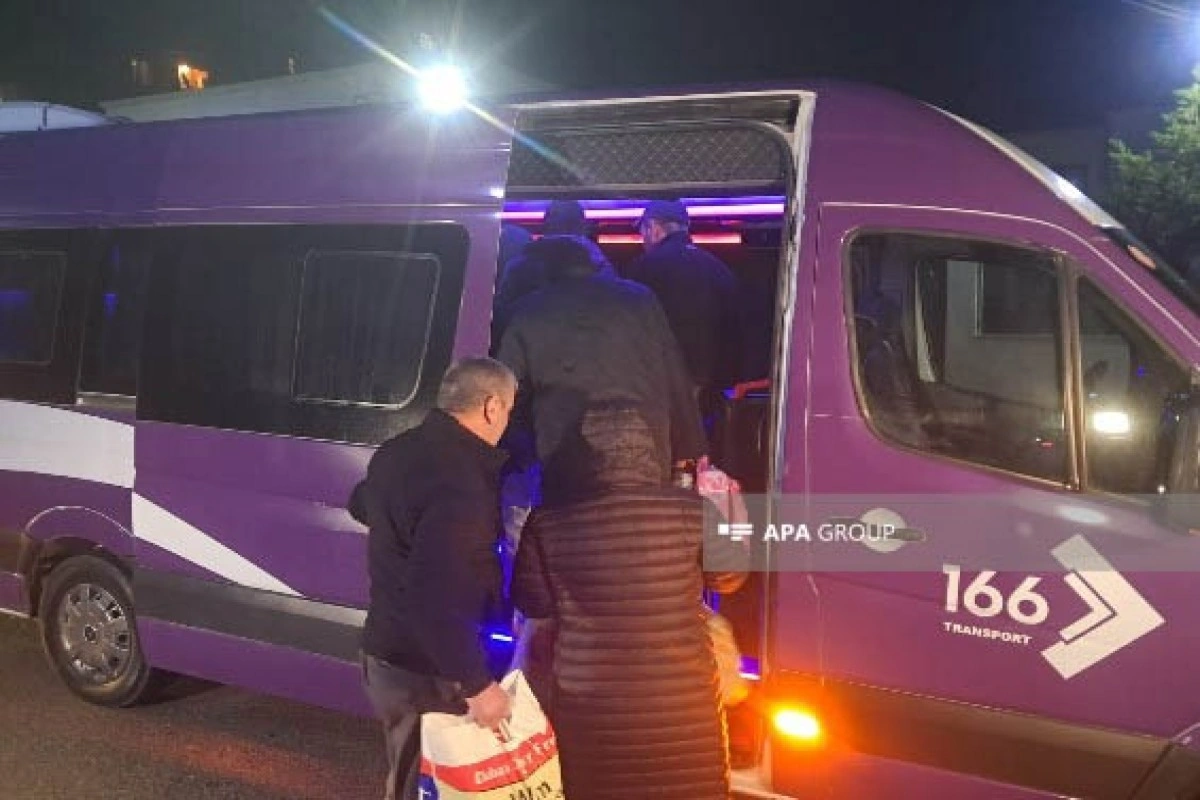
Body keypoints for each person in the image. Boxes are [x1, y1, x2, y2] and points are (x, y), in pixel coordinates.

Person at [511, 400, 749, 800]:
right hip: (682, 709)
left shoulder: (549, 521)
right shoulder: (692, 511)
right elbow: (731, 578)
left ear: (586, 457)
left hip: (590, 709)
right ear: (651, 449)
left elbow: (533, 602)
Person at [353, 357, 517, 800]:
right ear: (491, 406)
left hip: (385, 656)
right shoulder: (462, 485)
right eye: (509, 408)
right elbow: (436, 599)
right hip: (426, 670)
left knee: (407, 776)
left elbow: (360, 502)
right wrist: (478, 686)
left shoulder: (397, 451)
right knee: (433, 788)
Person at [495, 235, 707, 507]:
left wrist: (509, 457)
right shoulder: (640, 298)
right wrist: (692, 447)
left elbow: (506, 390)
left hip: (567, 448)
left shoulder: (528, 310)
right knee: (641, 516)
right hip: (644, 441)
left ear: (544, 269)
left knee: (580, 524)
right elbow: (674, 374)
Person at [627, 199, 742, 417]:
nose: (643, 240)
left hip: (658, 386)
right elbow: (734, 336)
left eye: (643, 232)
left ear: (653, 228)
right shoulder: (719, 269)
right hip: (709, 390)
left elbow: (630, 329)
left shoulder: (644, 267)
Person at [491, 199, 616, 345]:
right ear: (584, 226)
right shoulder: (602, 269)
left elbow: (501, 320)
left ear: (546, 225)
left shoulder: (521, 266)